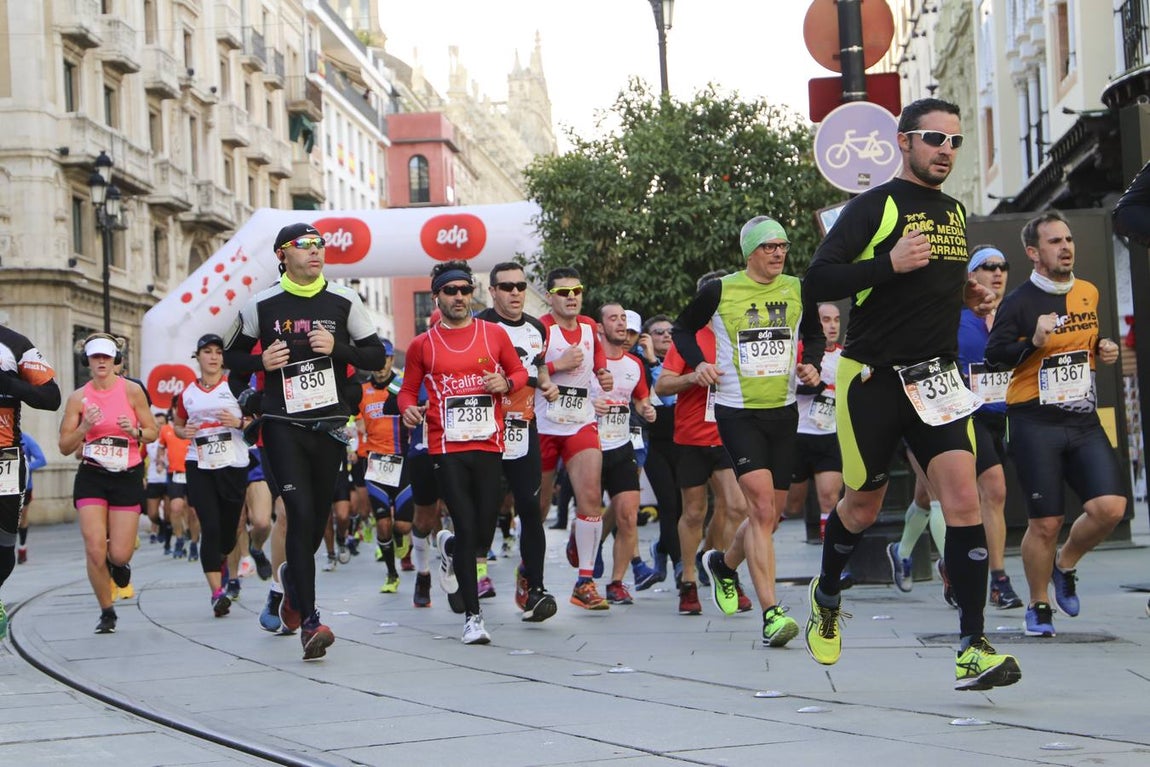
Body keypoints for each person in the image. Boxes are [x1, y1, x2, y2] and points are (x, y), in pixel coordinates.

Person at [802, 97, 1022, 692]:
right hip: (872, 377)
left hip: (938, 379)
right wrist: (887, 265)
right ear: (904, 141)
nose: (945, 149)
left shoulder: (953, 211)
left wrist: (964, 295)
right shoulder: (872, 207)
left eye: (954, 140)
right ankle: (826, 594)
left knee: (965, 500)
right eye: (934, 138)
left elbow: (929, 285)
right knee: (864, 505)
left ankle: (972, 645)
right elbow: (819, 278)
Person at [224, 222, 389, 659]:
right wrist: (259, 367)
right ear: (283, 254)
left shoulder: (343, 300)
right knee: (296, 511)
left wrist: (338, 349)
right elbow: (232, 362)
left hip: (329, 427)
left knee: (315, 525)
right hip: (282, 426)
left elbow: (374, 356)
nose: (316, 252)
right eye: (305, 246)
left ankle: (293, 587)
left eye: (320, 245)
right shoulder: (261, 304)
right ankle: (311, 620)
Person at [673, 216, 824, 648]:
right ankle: (772, 613)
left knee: (770, 517)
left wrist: (811, 360)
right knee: (759, 509)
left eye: (783, 246)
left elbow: (812, 332)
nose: (778, 253)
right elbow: (683, 328)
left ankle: (722, 564)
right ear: (751, 252)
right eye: (769, 246)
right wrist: (698, 363)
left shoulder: (798, 288)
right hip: (738, 412)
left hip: (783, 410)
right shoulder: (721, 290)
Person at [985, 211, 1126, 637]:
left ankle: (1065, 564)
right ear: (1033, 252)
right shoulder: (1019, 302)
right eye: (1054, 242)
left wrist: (1103, 350)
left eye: (1068, 239)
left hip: (1082, 418)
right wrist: (1033, 342)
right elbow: (996, 355)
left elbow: (1083, 346)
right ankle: (1038, 603)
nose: (1066, 247)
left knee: (1110, 508)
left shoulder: (1088, 292)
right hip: (1034, 421)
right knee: (1045, 522)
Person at [398, 259, 528, 644]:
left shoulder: (494, 335)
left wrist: (504, 381)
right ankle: (474, 617)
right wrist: (408, 408)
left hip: (488, 442)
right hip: (446, 445)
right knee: (467, 522)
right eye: (450, 291)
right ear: (436, 295)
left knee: (484, 528)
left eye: (465, 290)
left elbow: (520, 374)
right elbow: (407, 390)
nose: (459, 297)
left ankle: (452, 548)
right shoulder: (424, 345)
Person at [889, 245, 1022, 609]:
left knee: (925, 494)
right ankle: (989, 579)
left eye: (1003, 266)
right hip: (949, 415)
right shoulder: (951, 313)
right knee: (984, 491)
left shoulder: (1010, 314)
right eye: (987, 266)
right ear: (970, 277)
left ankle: (901, 550)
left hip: (998, 416)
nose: (997, 273)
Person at [655, 270, 749, 616]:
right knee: (694, 511)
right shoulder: (688, 337)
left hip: (729, 432)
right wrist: (694, 376)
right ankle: (689, 582)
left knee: (737, 507)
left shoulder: (739, 333)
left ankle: (725, 570)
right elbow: (662, 387)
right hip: (692, 436)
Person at [477, 261, 560, 621]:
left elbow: (539, 370)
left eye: (520, 287)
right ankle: (474, 573)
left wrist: (547, 384)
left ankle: (534, 587)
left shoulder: (536, 328)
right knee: (484, 507)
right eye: (506, 287)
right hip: (483, 430)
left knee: (530, 510)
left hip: (522, 427)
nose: (515, 293)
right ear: (492, 290)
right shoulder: (479, 325)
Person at [58, 333, 156, 634]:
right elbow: (63, 445)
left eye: (106, 357)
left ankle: (120, 565)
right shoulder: (78, 398)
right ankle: (107, 610)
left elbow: (153, 431)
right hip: (93, 475)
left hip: (126, 474)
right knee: (95, 549)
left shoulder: (132, 392)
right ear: (87, 361)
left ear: (115, 361)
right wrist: (85, 427)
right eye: (95, 357)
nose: (101, 362)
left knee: (119, 553)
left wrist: (135, 432)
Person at [535, 267, 614, 610]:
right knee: (537, 507)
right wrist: (556, 366)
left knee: (591, 496)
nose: (571, 297)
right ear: (550, 296)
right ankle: (528, 572)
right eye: (563, 292)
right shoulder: (539, 329)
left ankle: (585, 581)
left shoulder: (587, 327)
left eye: (577, 291)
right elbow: (521, 369)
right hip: (542, 423)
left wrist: (603, 374)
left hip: (580, 420)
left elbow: (598, 360)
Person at [172, 333, 251, 617]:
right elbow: (178, 425)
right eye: (208, 351)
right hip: (200, 464)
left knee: (230, 531)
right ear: (198, 357)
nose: (214, 357)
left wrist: (240, 421)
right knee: (210, 526)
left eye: (218, 352)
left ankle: (224, 559)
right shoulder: (188, 394)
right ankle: (217, 593)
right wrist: (185, 432)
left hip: (233, 464)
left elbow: (255, 422)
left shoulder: (237, 388)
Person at [592, 302, 656, 605]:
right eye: (613, 319)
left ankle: (616, 582)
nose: (620, 324)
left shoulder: (634, 364)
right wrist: (591, 406)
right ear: (600, 327)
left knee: (628, 515)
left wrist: (647, 410)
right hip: (588, 447)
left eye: (624, 320)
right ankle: (583, 559)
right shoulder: (588, 361)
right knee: (590, 515)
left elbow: (642, 400)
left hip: (621, 444)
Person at [0, 323, 60, 636]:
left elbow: (52, 398)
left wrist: (10, 384)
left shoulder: (14, 344)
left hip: (5, 460)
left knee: (5, 548)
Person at [782, 303, 845, 539]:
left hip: (828, 436)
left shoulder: (844, 357)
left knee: (830, 499)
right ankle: (760, 537)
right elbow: (784, 387)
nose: (832, 325)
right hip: (798, 435)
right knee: (792, 505)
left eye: (836, 320)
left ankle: (829, 567)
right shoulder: (798, 351)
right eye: (826, 320)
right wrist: (814, 386)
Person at [15, 431, 47, 564]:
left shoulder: (26, 439)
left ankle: (22, 548)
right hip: (3, 485)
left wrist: (25, 467)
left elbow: (41, 459)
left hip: (24, 486)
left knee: (22, 518)